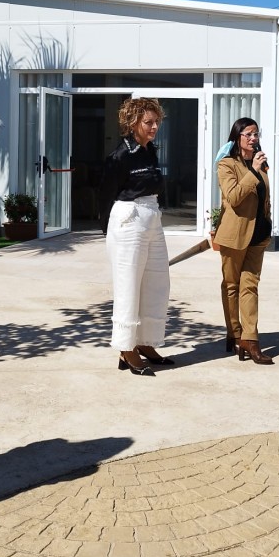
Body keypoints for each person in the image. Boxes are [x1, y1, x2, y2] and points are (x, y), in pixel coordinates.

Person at [99, 97, 173, 376]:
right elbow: (106, 196)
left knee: (157, 283)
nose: (154, 127)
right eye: (148, 122)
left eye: (157, 122)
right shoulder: (120, 156)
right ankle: (126, 347)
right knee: (128, 285)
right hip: (128, 219)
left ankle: (145, 342)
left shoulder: (150, 150)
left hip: (152, 216)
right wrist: (109, 232)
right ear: (132, 123)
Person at [214, 117, 274, 365]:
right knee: (232, 286)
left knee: (250, 286)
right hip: (234, 235)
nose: (253, 138)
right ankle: (235, 333)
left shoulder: (261, 164)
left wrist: (268, 222)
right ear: (237, 137)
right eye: (248, 134)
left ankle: (250, 339)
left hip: (258, 236)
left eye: (256, 134)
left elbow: (264, 198)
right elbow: (234, 197)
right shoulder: (226, 165)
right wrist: (253, 172)